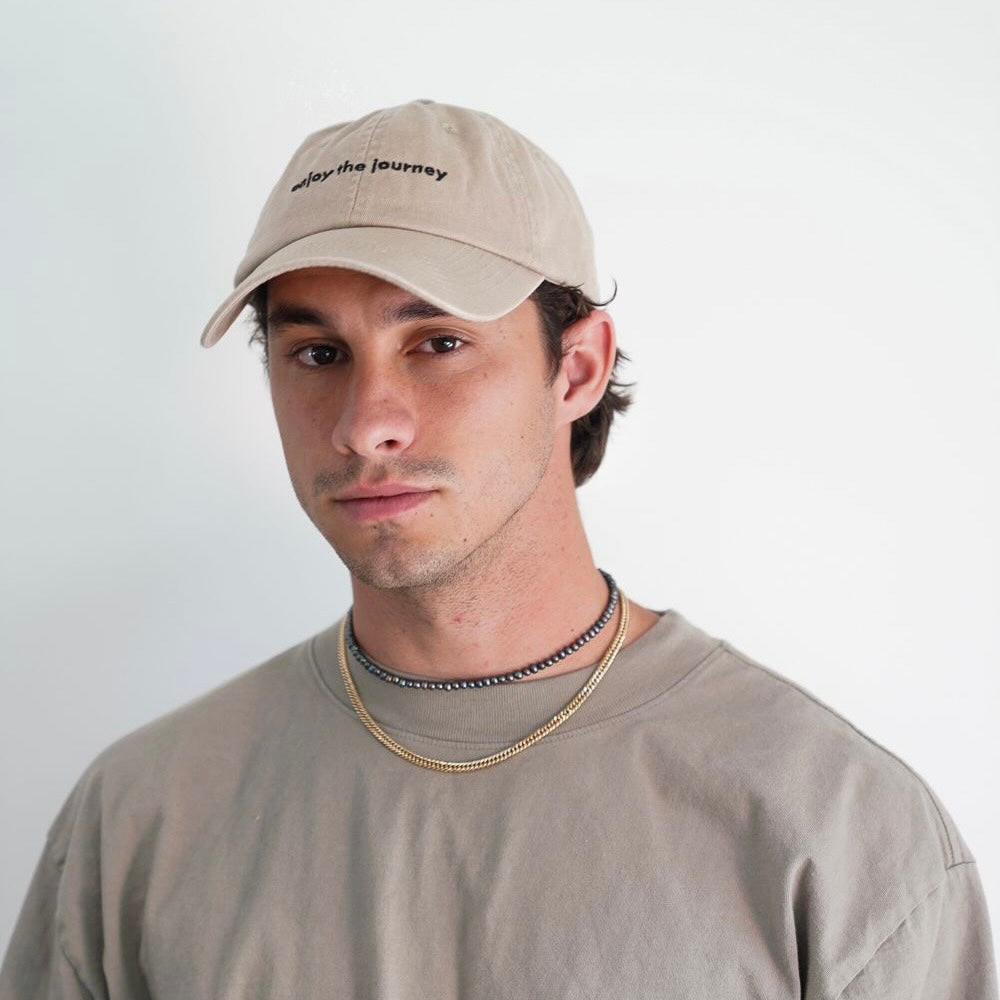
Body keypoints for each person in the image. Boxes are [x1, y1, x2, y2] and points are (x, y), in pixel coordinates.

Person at [1, 99, 995, 999]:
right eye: (316, 352)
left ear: (577, 367)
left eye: (436, 342)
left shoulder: (833, 833)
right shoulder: (141, 821)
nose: (364, 424)